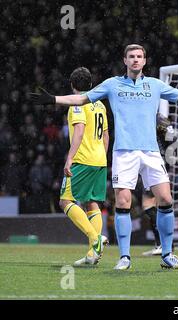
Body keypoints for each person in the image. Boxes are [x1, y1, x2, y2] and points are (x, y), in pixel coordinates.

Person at [30, 44, 178, 270]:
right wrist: (53, 99)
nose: (136, 60)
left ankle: (168, 255)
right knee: (123, 202)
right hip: (124, 152)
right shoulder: (112, 85)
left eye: (139, 56)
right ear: (125, 60)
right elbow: (82, 99)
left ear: (145, 61)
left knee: (166, 200)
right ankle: (124, 257)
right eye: (132, 57)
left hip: (150, 151)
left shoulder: (155, 85)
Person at [59, 67, 109, 266]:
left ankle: (95, 238)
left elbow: (79, 131)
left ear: (72, 86)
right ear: (91, 85)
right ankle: (92, 254)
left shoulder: (77, 105)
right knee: (91, 203)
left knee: (65, 201)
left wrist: (69, 158)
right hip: (99, 160)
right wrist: (101, 158)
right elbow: (106, 135)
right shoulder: (99, 105)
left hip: (82, 159)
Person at [141, 113, 178, 256]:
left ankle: (164, 245)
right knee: (154, 204)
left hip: (155, 162)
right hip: (152, 161)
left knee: (150, 203)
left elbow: (173, 139)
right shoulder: (155, 116)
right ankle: (164, 245)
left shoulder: (156, 117)